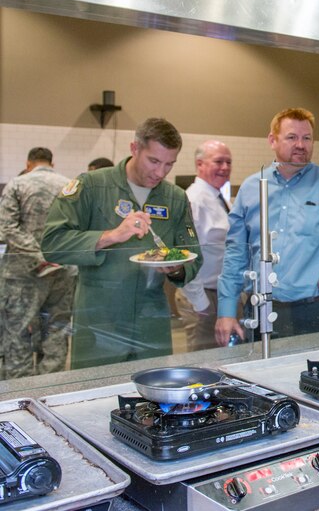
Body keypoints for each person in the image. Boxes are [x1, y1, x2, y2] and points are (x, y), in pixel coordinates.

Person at [216, 107, 319, 344]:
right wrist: (225, 310)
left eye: (307, 138)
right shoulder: (251, 188)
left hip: (313, 312)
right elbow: (236, 251)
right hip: (258, 308)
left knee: (312, 380)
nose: (300, 144)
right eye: (291, 137)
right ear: (272, 140)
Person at [42, 118, 202, 369]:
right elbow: (52, 243)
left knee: (152, 397)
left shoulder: (175, 197)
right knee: (93, 397)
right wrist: (111, 236)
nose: (160, 172)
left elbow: (193, 255)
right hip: (99, 321)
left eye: (169, 164)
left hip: (152, 321)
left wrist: (177, 268)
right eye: (154, 161)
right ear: (134, 148)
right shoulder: (91, 186)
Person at [0, 147, 76, 379]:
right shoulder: (70, 186)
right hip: (63, 270)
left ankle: (18, 395)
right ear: (52, 163)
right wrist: (53, 254)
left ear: (29, 162)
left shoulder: (17, 184)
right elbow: (78, 228)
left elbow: (6, 228)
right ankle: (49, 390)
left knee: (18, 333)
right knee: (56, 332)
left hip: (22, 274)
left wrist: (38, 255)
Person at [174, 140, 234, 352]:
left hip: (218, 293)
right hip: (202, 295)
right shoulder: (195, 200)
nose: (225, 167)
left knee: (220, 357)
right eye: (218, 161)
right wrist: (200, 302)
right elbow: (186, 256)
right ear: (200, 164)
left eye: (228, 162)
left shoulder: (218, 197)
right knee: (202, 361)